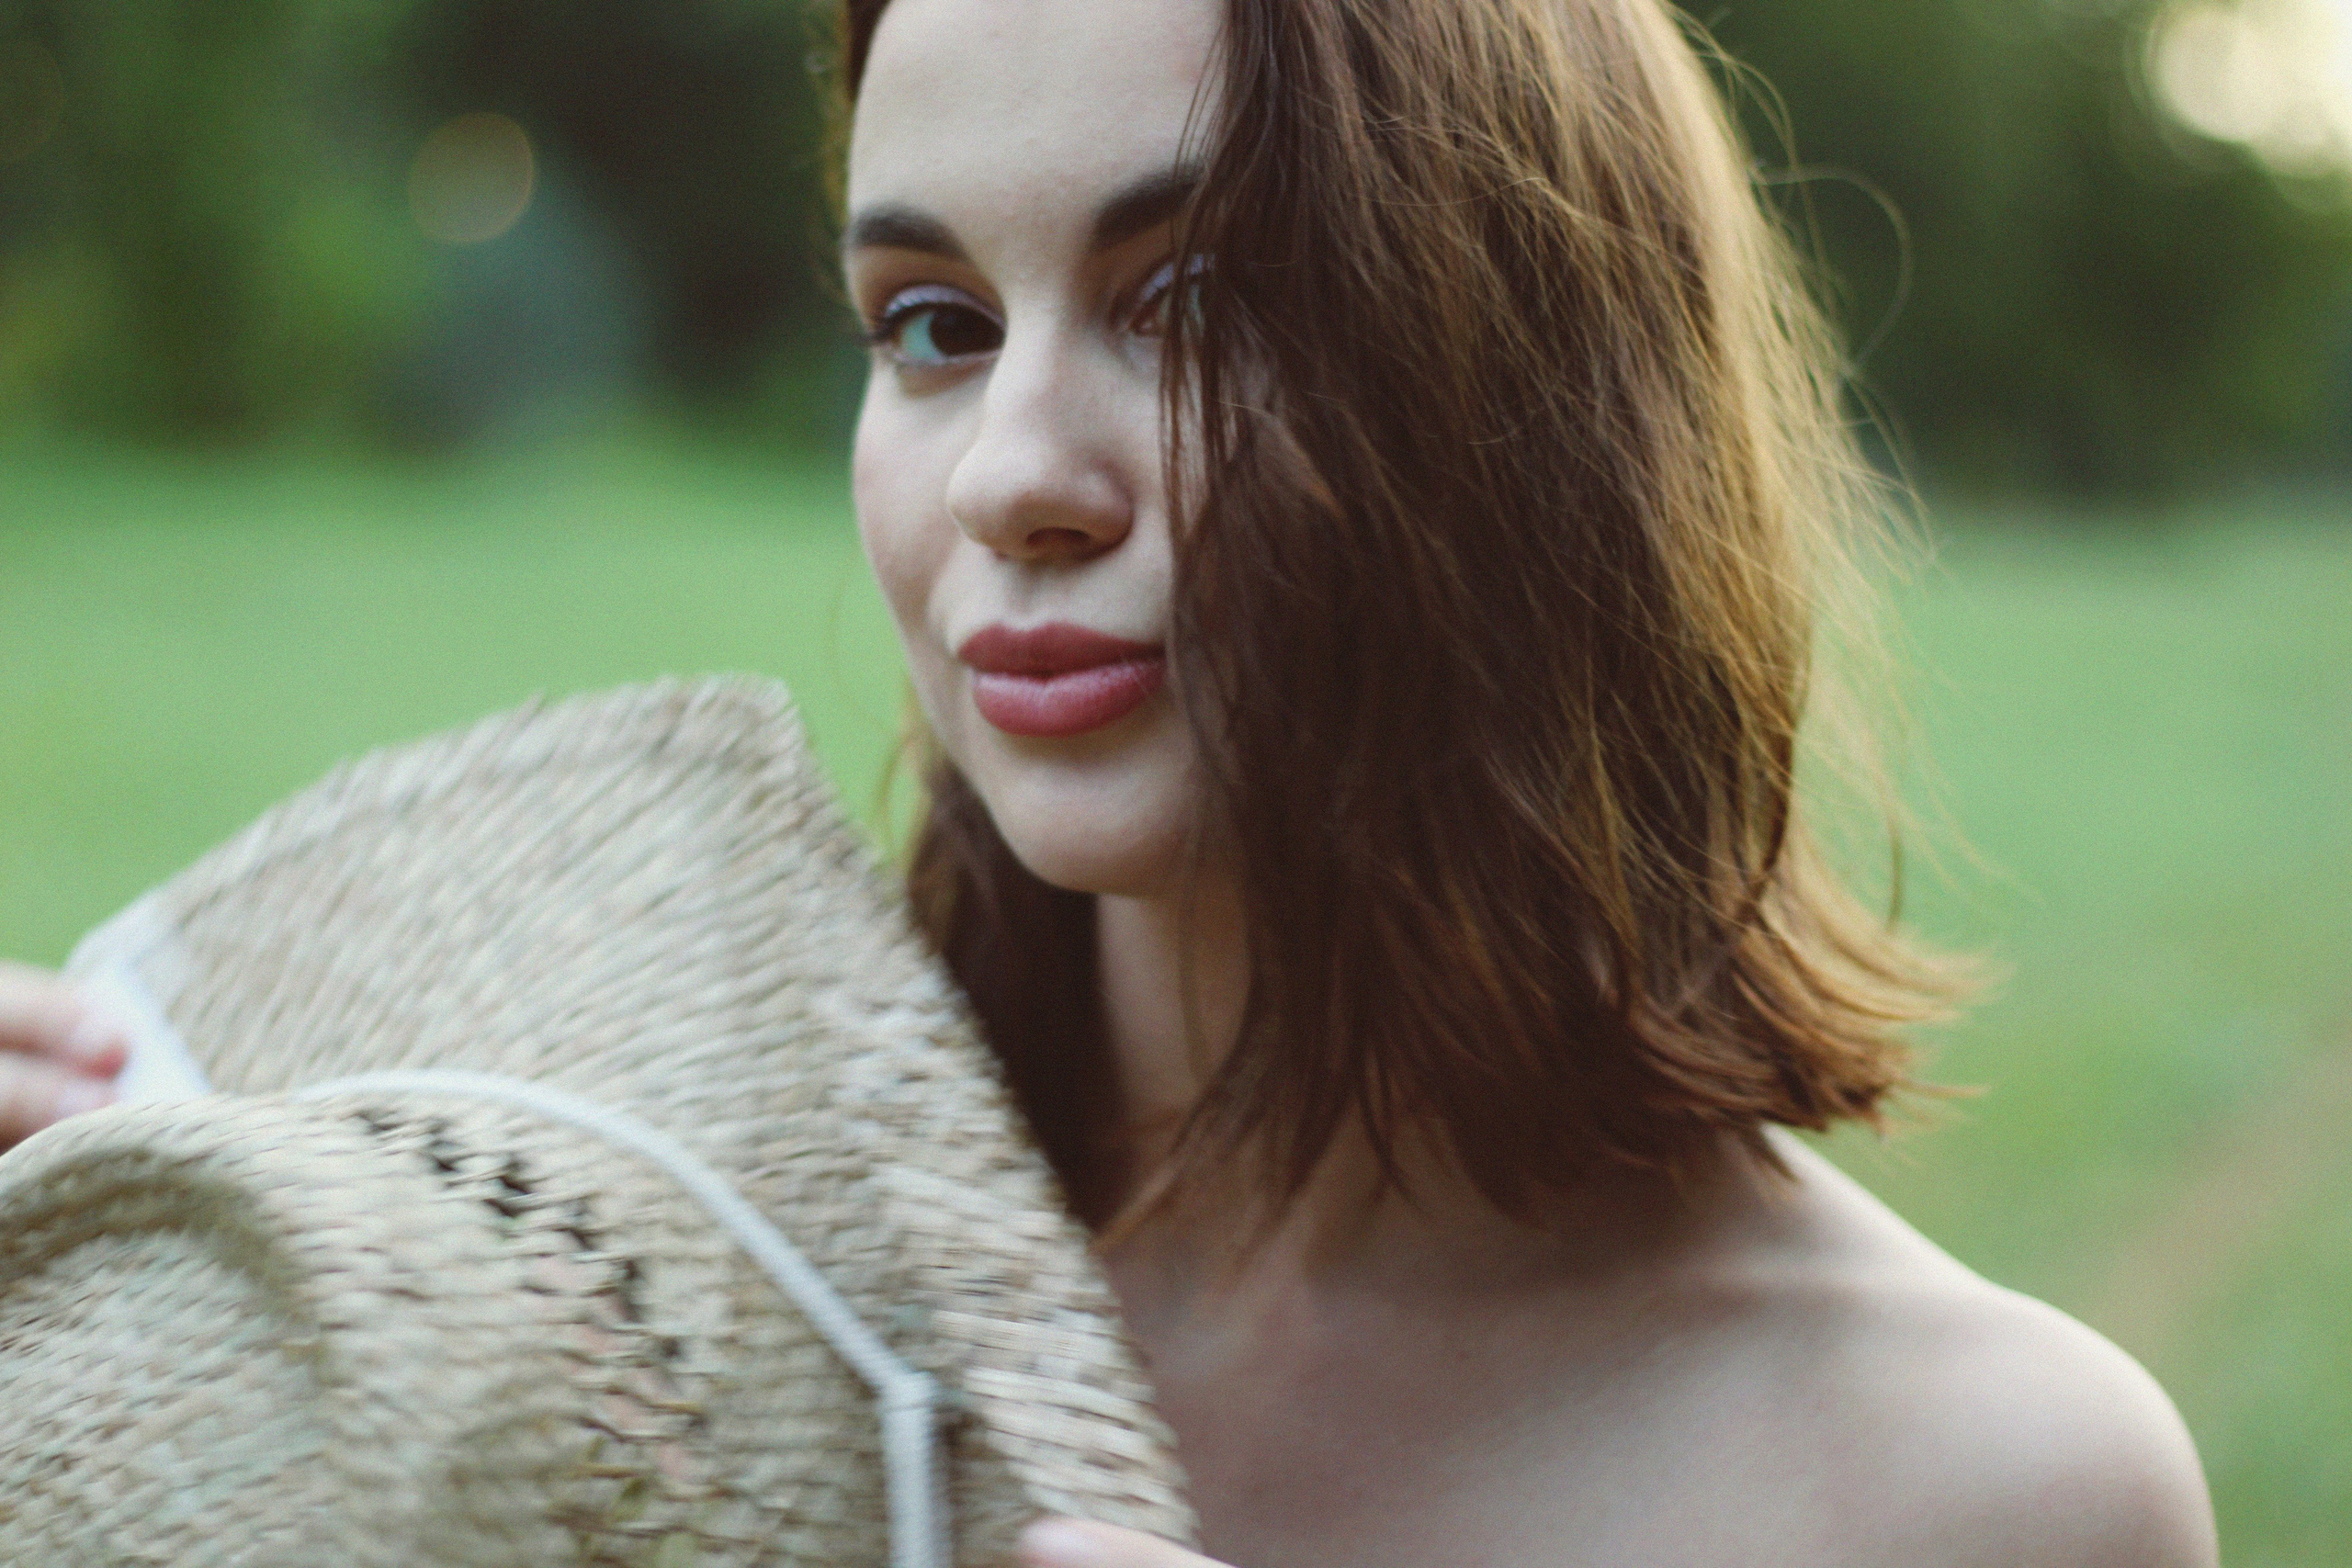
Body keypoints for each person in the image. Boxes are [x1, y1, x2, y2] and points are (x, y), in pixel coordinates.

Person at [1, 0, 2219, 1564]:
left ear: (1545, 396)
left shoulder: (1983, 1489)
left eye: (1193, 298)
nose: (1011, 477)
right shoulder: (639, 1293)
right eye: (932, 324)